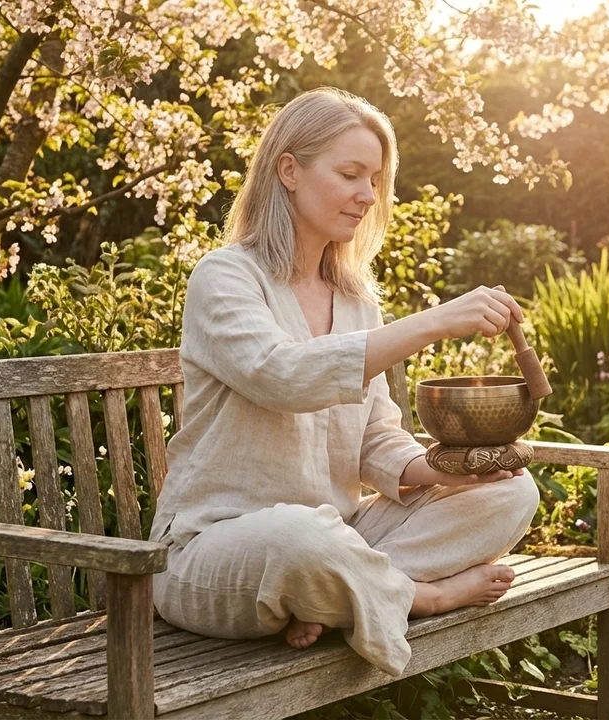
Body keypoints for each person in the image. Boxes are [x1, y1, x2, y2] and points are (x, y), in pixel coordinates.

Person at [148, 87, 542, 678]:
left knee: (513, 494)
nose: (368, 195)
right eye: (350, 173)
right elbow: (280, 376)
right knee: (299, 537)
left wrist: (452, 471)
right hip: (215, 550)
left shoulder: (356, 300)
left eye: (375, 179)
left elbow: (375, 441)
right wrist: (434, 322)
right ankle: (415, 595)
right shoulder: (225, 276)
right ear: (289, 170)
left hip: (335, 534)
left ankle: (330, 596)